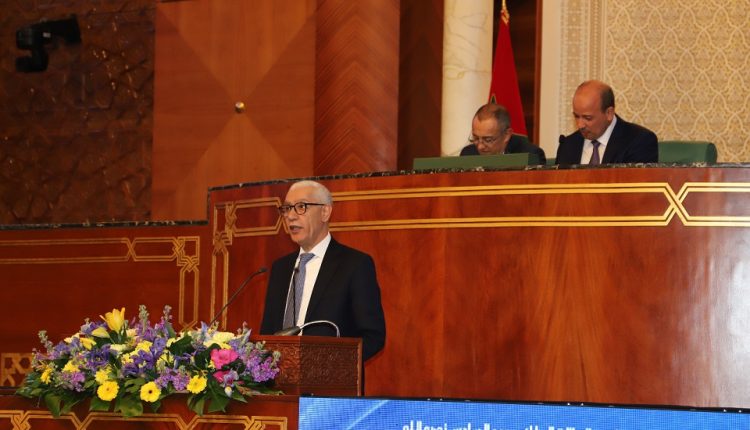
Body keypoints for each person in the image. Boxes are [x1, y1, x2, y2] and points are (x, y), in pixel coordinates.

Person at [260, 180, 386, 361]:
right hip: (280, 378)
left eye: (301, 207)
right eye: (287, 209)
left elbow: (373, 336)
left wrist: (328, 365)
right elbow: (267, 335)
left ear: (325, 212)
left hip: (331, 377)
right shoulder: (281, 268)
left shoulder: (354, 264)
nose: (291, 216)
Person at [556, 80, 658, 165]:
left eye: (588, 118)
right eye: (576, 116)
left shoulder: (639, 141)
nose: (580, 125)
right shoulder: (568, 145)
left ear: (609, 113)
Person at [460, 103, 546, 165]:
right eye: (476, 138)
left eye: (487, 140)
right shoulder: (468, 154)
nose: (480, 146)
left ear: (507, 135)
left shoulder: (530, 155)